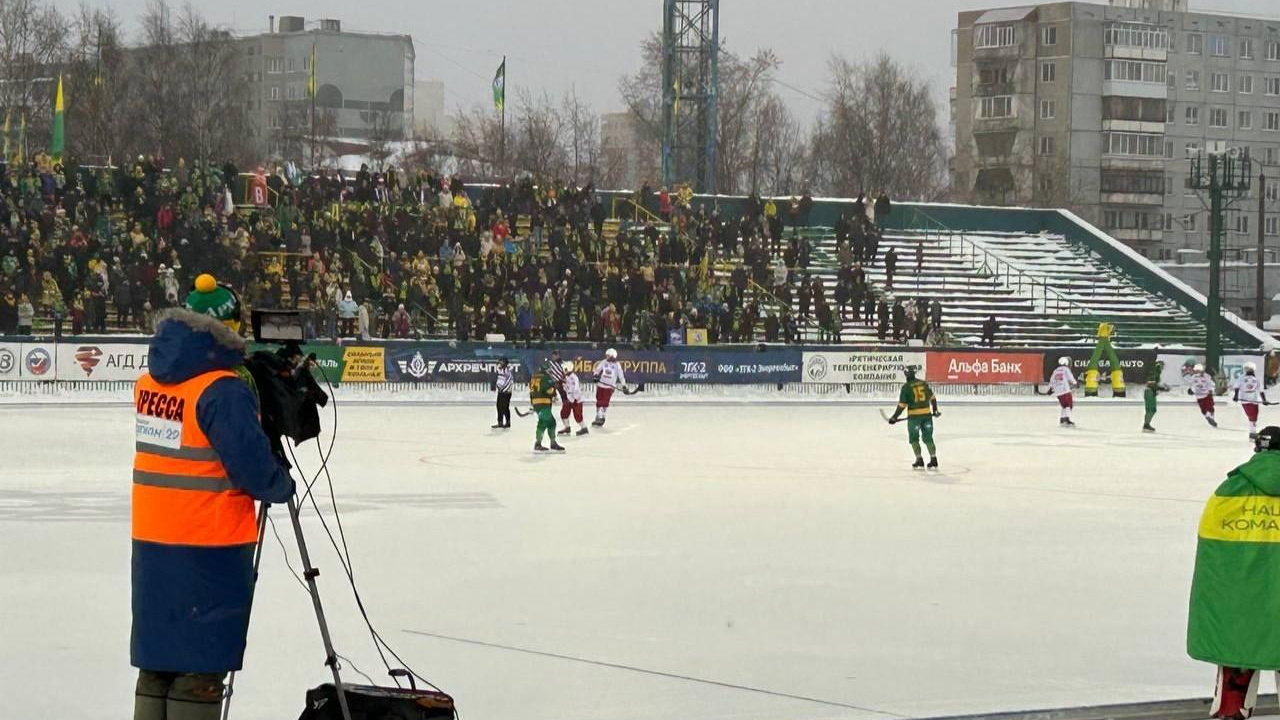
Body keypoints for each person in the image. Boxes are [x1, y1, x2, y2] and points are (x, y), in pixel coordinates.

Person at [132, 273, 294, 720]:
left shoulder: (150, 383)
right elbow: (252, 469)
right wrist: (281, 481)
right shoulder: (220, 390)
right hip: (208, 547)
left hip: (152, 547)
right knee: (198, 671)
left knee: (157, 666)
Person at [1187, 426, 1280, 720]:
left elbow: (1214, 558)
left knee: (1233, 690)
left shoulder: (1228, 491)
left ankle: (1232, 711)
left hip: (1240, 611)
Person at [886, 366, 939, 469]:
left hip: (914, 418)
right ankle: (933, 459)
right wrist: (935, 410)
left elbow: (902, 406)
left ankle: (919, 459)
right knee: (928, 438)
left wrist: (894, 417)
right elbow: (933, 398)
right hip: (927, 416)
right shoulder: (923, 383)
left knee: (914, 438)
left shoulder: (906, 387)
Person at [529, 364, 564, 452]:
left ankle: (551, 442)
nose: (550, 371)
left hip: (537, 403)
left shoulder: (534, 376)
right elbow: (548, 390)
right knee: (545, 422)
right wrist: (554, 391)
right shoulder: (545, 377)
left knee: (550, 422)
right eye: (549, 369)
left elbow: (532, 390)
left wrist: (533, 403)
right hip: (543, 403)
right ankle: (539, 443)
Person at [592, 347, 627, 427]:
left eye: (608, 355)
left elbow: (621, 376)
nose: (606, 357)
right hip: (601, 385)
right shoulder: (604, 362)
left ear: (612, 356)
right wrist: (596, 376)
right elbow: (597, 370)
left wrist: (624, 385)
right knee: (599, 401)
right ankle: (597, 416)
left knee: (604, 402)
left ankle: (603, 417)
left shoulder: (617, 365)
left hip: (609, 387)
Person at [1233, 362, 1268, 439]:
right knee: (1251, 415)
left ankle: (1253, 431)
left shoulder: (1256, 378)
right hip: (1245, 400)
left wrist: (1264, 400)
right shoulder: (1241, 378)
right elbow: (1237, 387)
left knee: (1255, 416)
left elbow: (1261, 390)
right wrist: (1236, 396)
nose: (1248, 371)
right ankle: (1252, 432)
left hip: (1254, 400)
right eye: (1247, 369)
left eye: (1250, 369)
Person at [557, 361, 589, 437]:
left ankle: (584, 428)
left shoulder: (574, 378)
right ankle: (567, 427)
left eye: (564, 369)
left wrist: (575, 398)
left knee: (577, 415)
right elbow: (566, 388)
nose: (563, 370)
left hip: (576, 400)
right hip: (569, 399)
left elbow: (576, 389)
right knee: (564, 413)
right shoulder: (566, 377)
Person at [1048, 356, 1078, 427]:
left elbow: (1052, 380)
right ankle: (1066, 419)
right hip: (1065, 390)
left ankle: (1062, 419)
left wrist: (1051, 388)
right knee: (1069, 405)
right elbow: (1070, 377)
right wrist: (1075, 383)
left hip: (1058, 392)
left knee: (1064, 405)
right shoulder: (1065, 369)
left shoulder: (1056, 370)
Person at [1143, 360, 1169, 433]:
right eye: (1162, 366)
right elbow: (1151, 383)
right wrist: (1162, 388)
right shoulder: (1154, 372)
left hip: (1152, 392)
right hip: (1149, 392)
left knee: (1153, 410)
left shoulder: (1157, 373)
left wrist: (1161, 389)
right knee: (1150, 410)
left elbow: (1155, 385)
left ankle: (1147, 424)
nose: (1163, 368)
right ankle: (1146, 424)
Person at [1189, 363, 1219, 428]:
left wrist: (1211, 390)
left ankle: (1211, 418)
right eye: (1196, 371)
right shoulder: (1193, 377)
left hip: (1207, 394)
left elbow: (1211, 384)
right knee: (1203, 409)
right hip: (1199, 396)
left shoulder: (1207, 376)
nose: (1198, 372)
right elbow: (1192, 386)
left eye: (1199, 370)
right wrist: (1191, 390)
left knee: (1210, 407)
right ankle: (1208, 417)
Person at [492, 357, 513, 429]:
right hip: (501, 392)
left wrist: (503, 389)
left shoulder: (507, 372)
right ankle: (500, 422)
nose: (499, 364)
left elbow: (509, 382)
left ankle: (508, 422)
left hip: (506, 392)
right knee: (498, 406)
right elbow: (499, 381)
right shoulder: (500, 371)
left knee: (505, 407)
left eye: (501, 363)